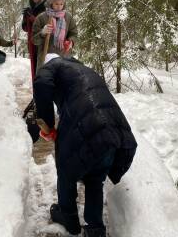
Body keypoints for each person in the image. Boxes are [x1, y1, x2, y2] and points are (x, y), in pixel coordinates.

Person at [33, 54, 137, 237]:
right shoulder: (82, 69)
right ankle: (95, 227)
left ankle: (68, 217)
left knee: (66, 168)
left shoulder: (52, 67)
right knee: (95, 178)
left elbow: (41, 84)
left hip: (90, 121)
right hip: (115, 130)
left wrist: (48, 125)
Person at [32, 0, 78, 72]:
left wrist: (71, 41)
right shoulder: (41, 18)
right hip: (46, 59)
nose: (59, 6)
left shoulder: (68, 17)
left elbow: (74, 33)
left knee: (63, 83)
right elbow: (34, 40)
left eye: (61, 4)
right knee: (46, 83)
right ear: (51, 3)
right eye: (56, 4)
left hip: (64, 58)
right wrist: (42, 33)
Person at [22, 0, 48, 81]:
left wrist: (32, 18)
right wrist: (25, 19)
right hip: (32, 42)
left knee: (43, 68)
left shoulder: (47, 6)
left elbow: (45, 24)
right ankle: (36, 93)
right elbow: (24, 28)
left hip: (43, 42)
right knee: (34, 69)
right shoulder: (29, 7)